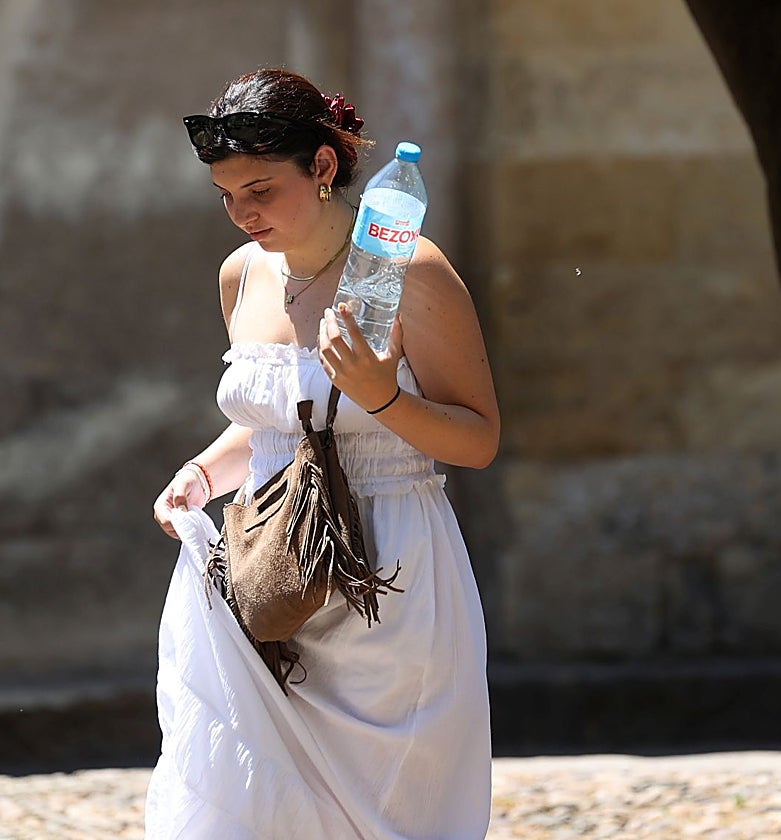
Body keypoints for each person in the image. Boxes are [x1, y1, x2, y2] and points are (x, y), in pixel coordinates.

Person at [145, 68, 499, 839]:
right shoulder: (241, 276)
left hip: (387, 578)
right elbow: (280, 422)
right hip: (269, 565)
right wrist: (202, 473)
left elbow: (478, 439)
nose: (243, 214)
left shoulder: (410, 271)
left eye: (261, 190)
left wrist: (384, 397)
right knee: (249, 806)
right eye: (226, 196)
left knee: (387, 815)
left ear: (324, 166)